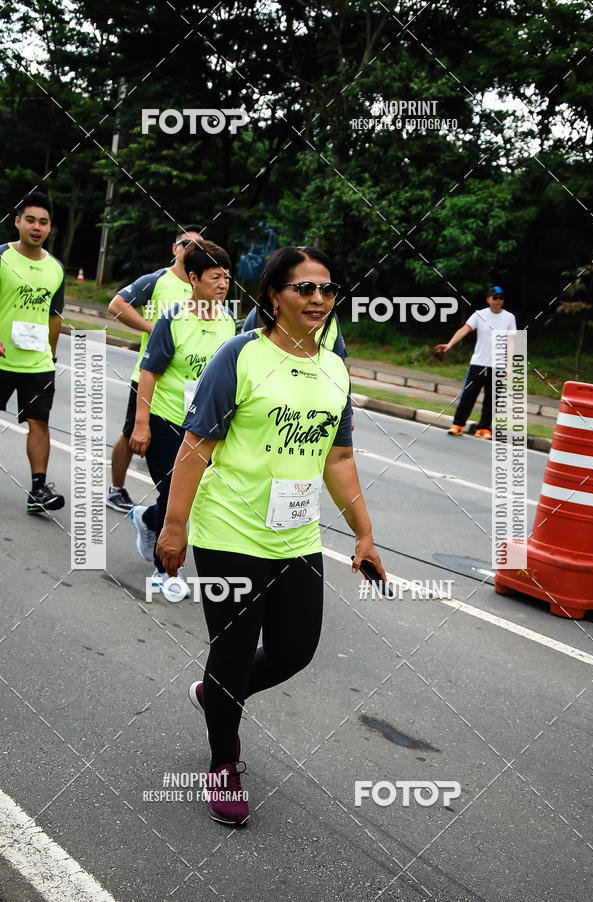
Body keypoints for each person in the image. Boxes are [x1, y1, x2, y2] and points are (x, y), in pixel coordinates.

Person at [156, 246, 385, 827]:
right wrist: (175, 525)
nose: (318, 299)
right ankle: (223, 762)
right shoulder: (241, 357)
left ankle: (215, 696)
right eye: (305, 288)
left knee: (294, 650)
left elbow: (338, 458)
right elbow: (195, 447)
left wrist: (364, 533)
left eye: (328, 290)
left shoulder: (335, 366)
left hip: (297, 535)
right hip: (229, 530)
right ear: (274, 296)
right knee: (232, 653)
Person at [128, 240, 235, 597]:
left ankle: (147, 518)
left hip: (203, 427)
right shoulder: (173, 319)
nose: (223, 284)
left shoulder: (228, 322)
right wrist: (141, 423)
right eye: (215, 277)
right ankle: (165, 573)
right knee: (175, 492)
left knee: (178, 495)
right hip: (165, 419)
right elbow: (149, 372)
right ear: (194, 278)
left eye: (227, 277)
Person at [105, 225, 204, 513]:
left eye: (200, 245)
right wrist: (154, 328)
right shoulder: (158, 280)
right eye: (187, 243)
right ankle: (116, 489)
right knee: (131, 432)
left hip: (189, 382)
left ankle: (173, 502)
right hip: (150, 375)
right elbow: (117, 304)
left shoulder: (205, 285)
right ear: (175, 249)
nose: (193, 249)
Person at [0, 192, 65, 513]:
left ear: (50, 227)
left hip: (37, 364)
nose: (36, 227)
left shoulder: (56, 268)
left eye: (43, 222)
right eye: (30, 220)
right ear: (17, 222)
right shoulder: (2, 257)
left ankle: (38, 490)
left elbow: (55, 316)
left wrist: (50, 357)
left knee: (39, 422)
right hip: (1, 359)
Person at [435, 285, 517, 438]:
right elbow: (463, 330)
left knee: (492, 400)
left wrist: (509, 365)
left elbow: (511, 342)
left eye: (501, 298)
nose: (498, 301)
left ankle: (484, 428)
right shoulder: (479, 315)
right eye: (495, 298)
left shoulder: (509, 318)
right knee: (468, 395)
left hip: (497, 366)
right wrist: (449, 345)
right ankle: (458, 424)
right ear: (488, 299)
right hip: (478, 363)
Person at [241, 301, 348, 360]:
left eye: (325, 289)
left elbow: (339, 361)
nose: (317, 298)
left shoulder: (331, 318)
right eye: (305, 289)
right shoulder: (261, 313)